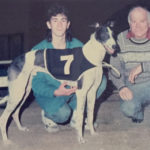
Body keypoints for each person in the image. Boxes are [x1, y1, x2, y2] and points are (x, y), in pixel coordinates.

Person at [31, 3, 107, 132]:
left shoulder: (78, 46)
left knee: (101, 81)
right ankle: (48, 115)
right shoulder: (38, 50)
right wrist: (55, 92)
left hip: (73, 91)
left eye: (63, 20)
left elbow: (88, 71)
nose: (59, 25)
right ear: (48, 24)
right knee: (62, 115)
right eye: (55, 21)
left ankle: (77, 114)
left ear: (68, 24)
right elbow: (35, 83)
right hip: (52, 94)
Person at [109, 6, 150, 123]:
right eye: (134, 21)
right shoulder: (121, 39)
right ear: (129, 23)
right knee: (128, 109)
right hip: (134, 86)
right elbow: (114, 68)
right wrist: (121, 86)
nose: (138, 26)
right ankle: (138, 112)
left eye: (142, 21)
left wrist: (143, 67)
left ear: (149, 22)